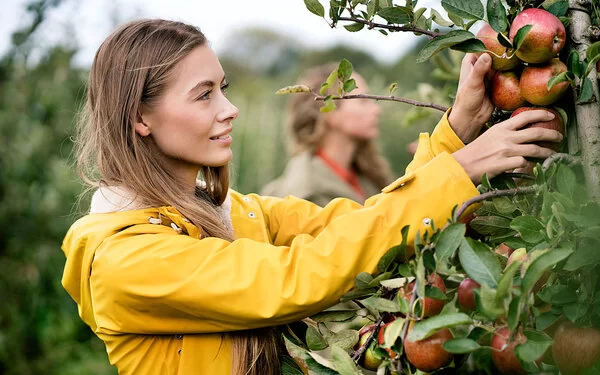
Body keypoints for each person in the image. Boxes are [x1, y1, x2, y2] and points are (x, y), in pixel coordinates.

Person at [60, 19, 563, 375]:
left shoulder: (236, 213)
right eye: (204, 94)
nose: (230, 108)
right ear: (140, 118)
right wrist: (461, 168)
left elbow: (363, 226)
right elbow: (297, 278)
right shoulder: (127, 260)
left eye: (224, 87)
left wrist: (456, 132)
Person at [260, 63, 394, 206]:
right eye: (363, 101)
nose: (376, 110)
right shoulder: (306, 194)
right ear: (329, 112)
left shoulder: (367, 175)